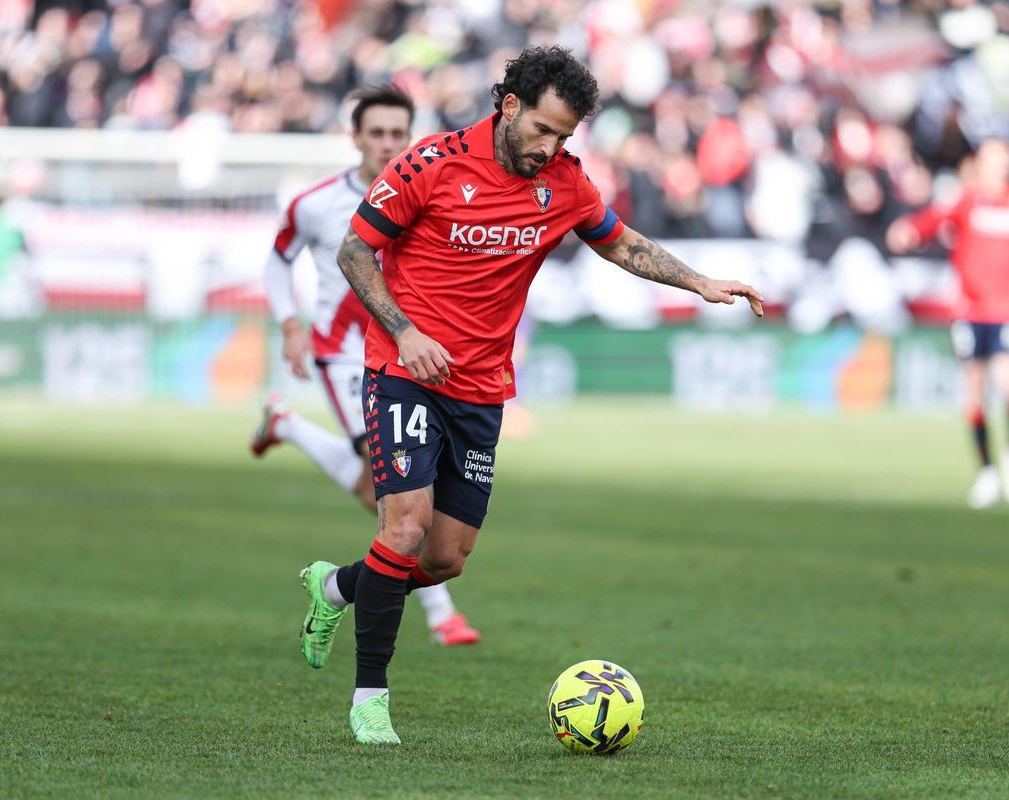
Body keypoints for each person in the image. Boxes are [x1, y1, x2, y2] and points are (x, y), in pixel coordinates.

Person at [297, 46, 764, 745]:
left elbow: (618, 243)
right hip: (404, 370)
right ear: (509, 106)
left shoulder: (565, 184)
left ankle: (336, 588)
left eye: (565, 136)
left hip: (482, 388)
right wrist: (405, 330)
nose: (551, 148)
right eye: (544, 130)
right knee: (405, 526)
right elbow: (354, 252)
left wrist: (698, 282)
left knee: (445, 558)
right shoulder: (430, 164)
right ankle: (370, 699)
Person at [250, 85, 481, 648]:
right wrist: (290, 324)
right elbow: (277, 262)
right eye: (376, 133)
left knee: (384, 488)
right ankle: (440, 611)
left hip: (413, 354)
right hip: (347, 357)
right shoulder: (317, 203)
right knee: (392, 492)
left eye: (398, 134)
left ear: (412, 137)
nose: (387, 144)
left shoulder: (429, 192)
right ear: (355, 137)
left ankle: (287, 426)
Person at [886, 138, 1009, 508]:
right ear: (981, 164)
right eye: (993, 161)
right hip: (970, 310)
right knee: (974, 391)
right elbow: (932, 220)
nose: (1000, 168)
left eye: (1005, 160)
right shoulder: (966, 198)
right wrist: (910, 230)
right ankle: (987, 471)